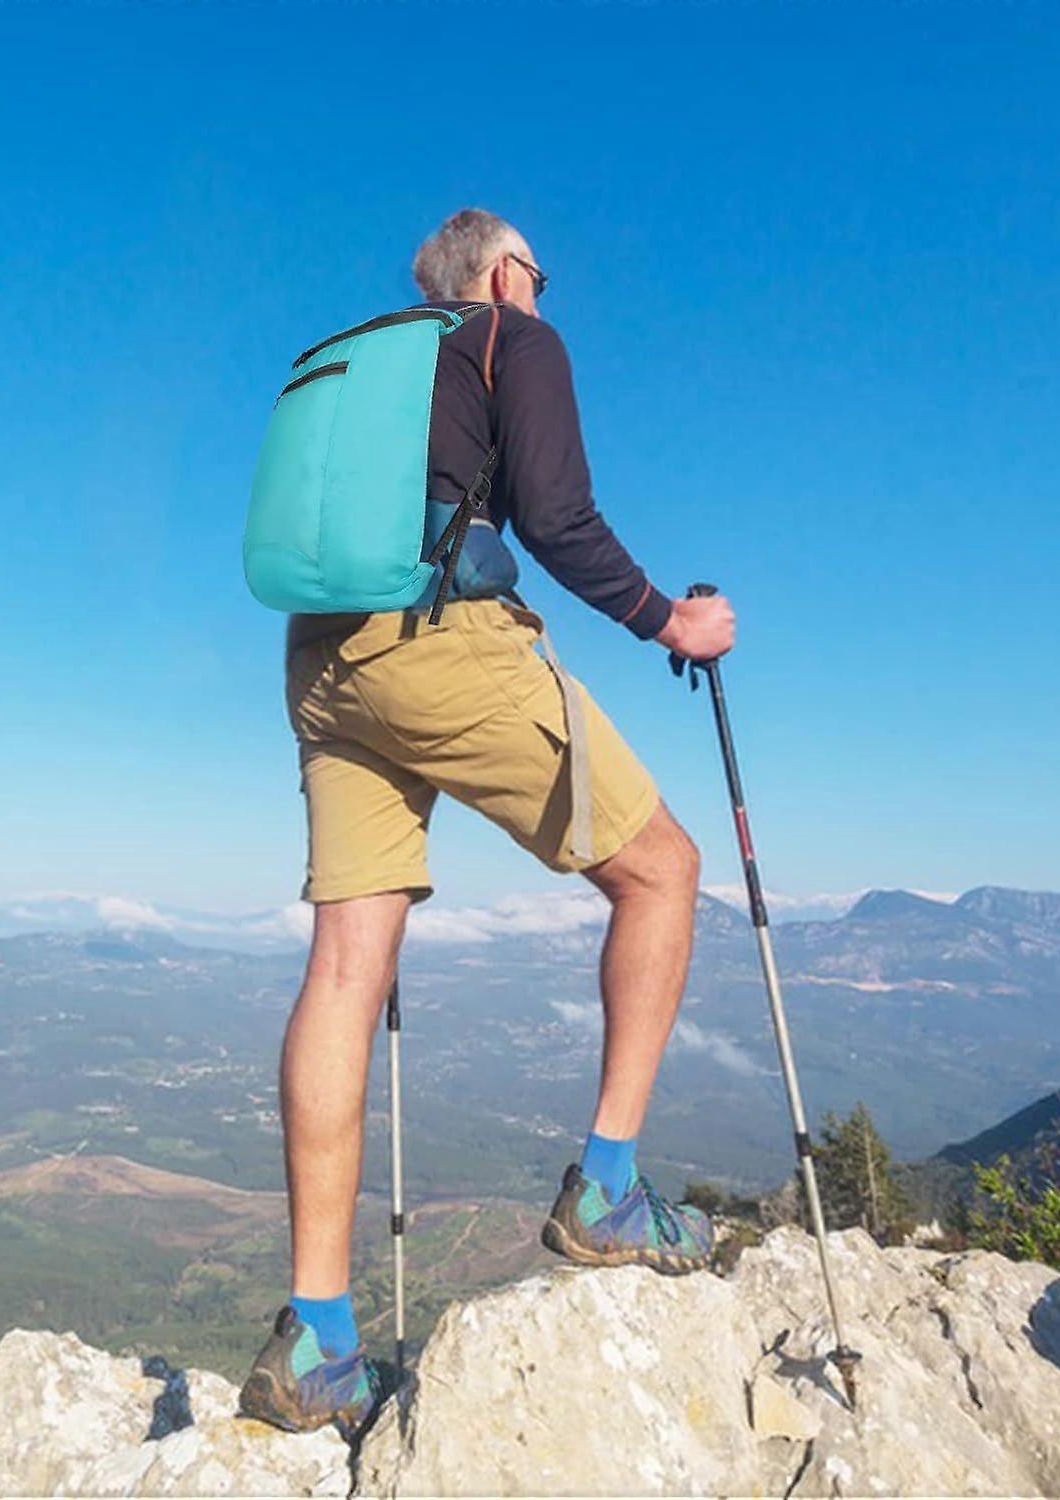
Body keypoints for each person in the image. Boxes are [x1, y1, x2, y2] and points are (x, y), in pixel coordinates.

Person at [238, 209, 737, 1438]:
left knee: (348, 964)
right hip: (439, 640)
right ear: (502, 273)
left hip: (320, 655)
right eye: (540, 270)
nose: (546, 286)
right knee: (663, 871)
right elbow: (559, 519)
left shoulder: (376, 359)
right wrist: (670, 620)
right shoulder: (516, 337)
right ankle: (608, 1191)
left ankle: (318, 1340)